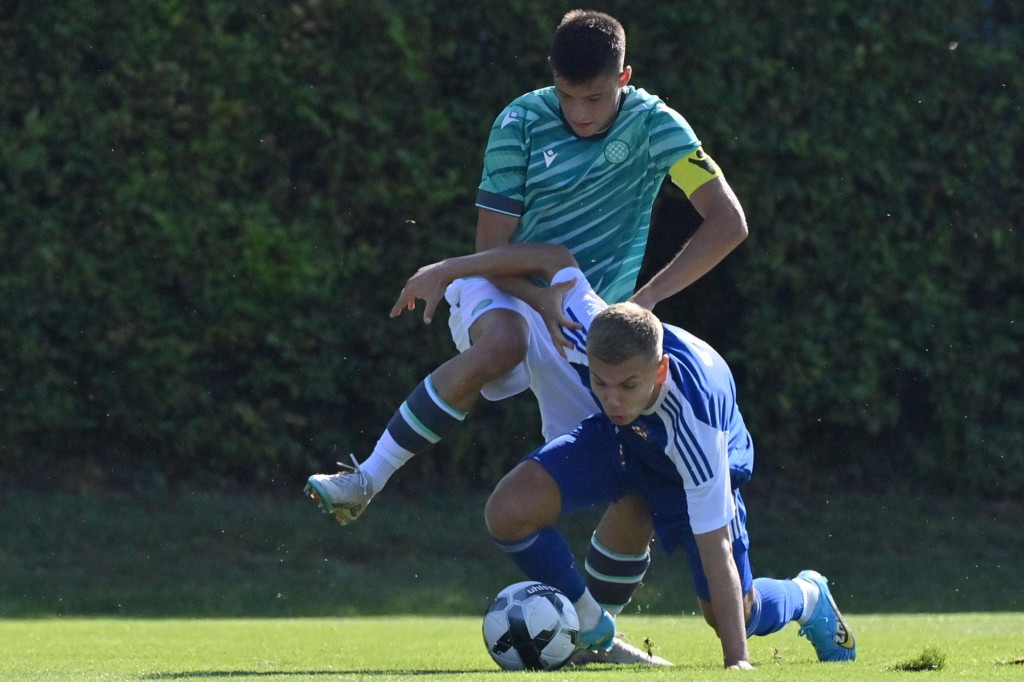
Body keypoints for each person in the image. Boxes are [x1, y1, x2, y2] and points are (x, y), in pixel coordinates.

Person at [306, 9, 747, 663]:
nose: (581, 112)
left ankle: (595, 632)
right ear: (552, 81)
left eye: (595, 97)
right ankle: (366, 479)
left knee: (633, 487)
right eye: (567, 96)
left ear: (624, 78)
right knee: (503, 344)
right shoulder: (519, 122)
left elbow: (726, 221)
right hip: (509, 287)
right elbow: (496, 250)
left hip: (589, 321)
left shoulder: (658, 128)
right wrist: (533, 299)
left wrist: (647, 299)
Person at [473, 250, 858, 668]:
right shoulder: (587, 329)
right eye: (600, 383)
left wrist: (737, 663)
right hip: (622, 436)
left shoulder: (697, 424)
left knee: (735, 615)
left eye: (627, 384)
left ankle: (808, 595)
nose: (612, 398)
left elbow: (717, 547)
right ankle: (591, 628)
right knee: (509, 511)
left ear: (659, 371)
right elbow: (551, 261)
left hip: (687, 457)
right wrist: (444, 271)